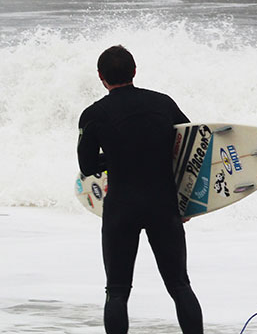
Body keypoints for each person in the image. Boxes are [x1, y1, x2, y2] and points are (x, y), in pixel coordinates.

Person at [77, 45, 204, 334]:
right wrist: (187, 201)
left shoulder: (93, 114)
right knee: (180, 285)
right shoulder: (163, 103)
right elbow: (188, 147)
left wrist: (116, 156)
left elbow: (86, 166)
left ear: (101, 77)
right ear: (135, 71)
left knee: (117, 292)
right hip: (163, 205)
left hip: (121, 207)